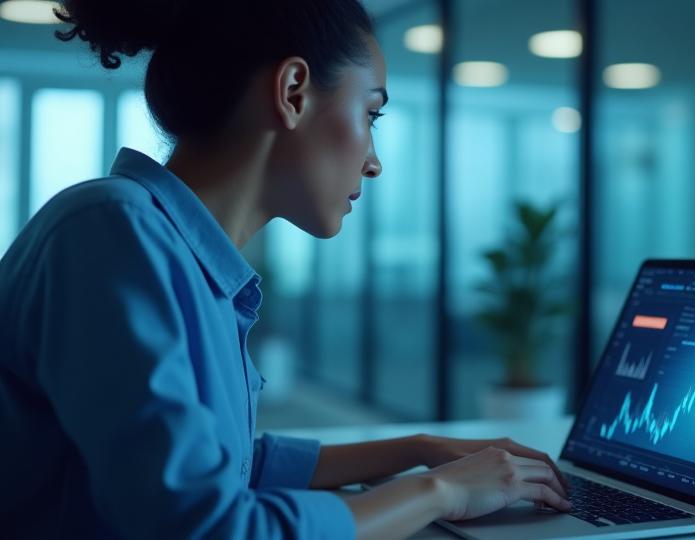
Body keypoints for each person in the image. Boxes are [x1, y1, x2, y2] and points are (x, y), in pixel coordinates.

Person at [0, 1, 572, 538]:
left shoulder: (172, 254)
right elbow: (209, 525)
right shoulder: (111, 232)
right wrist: (442, 492)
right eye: (371, 113)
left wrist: (419, 449)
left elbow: (226, 463)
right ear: (293, 91)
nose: (374, 163)